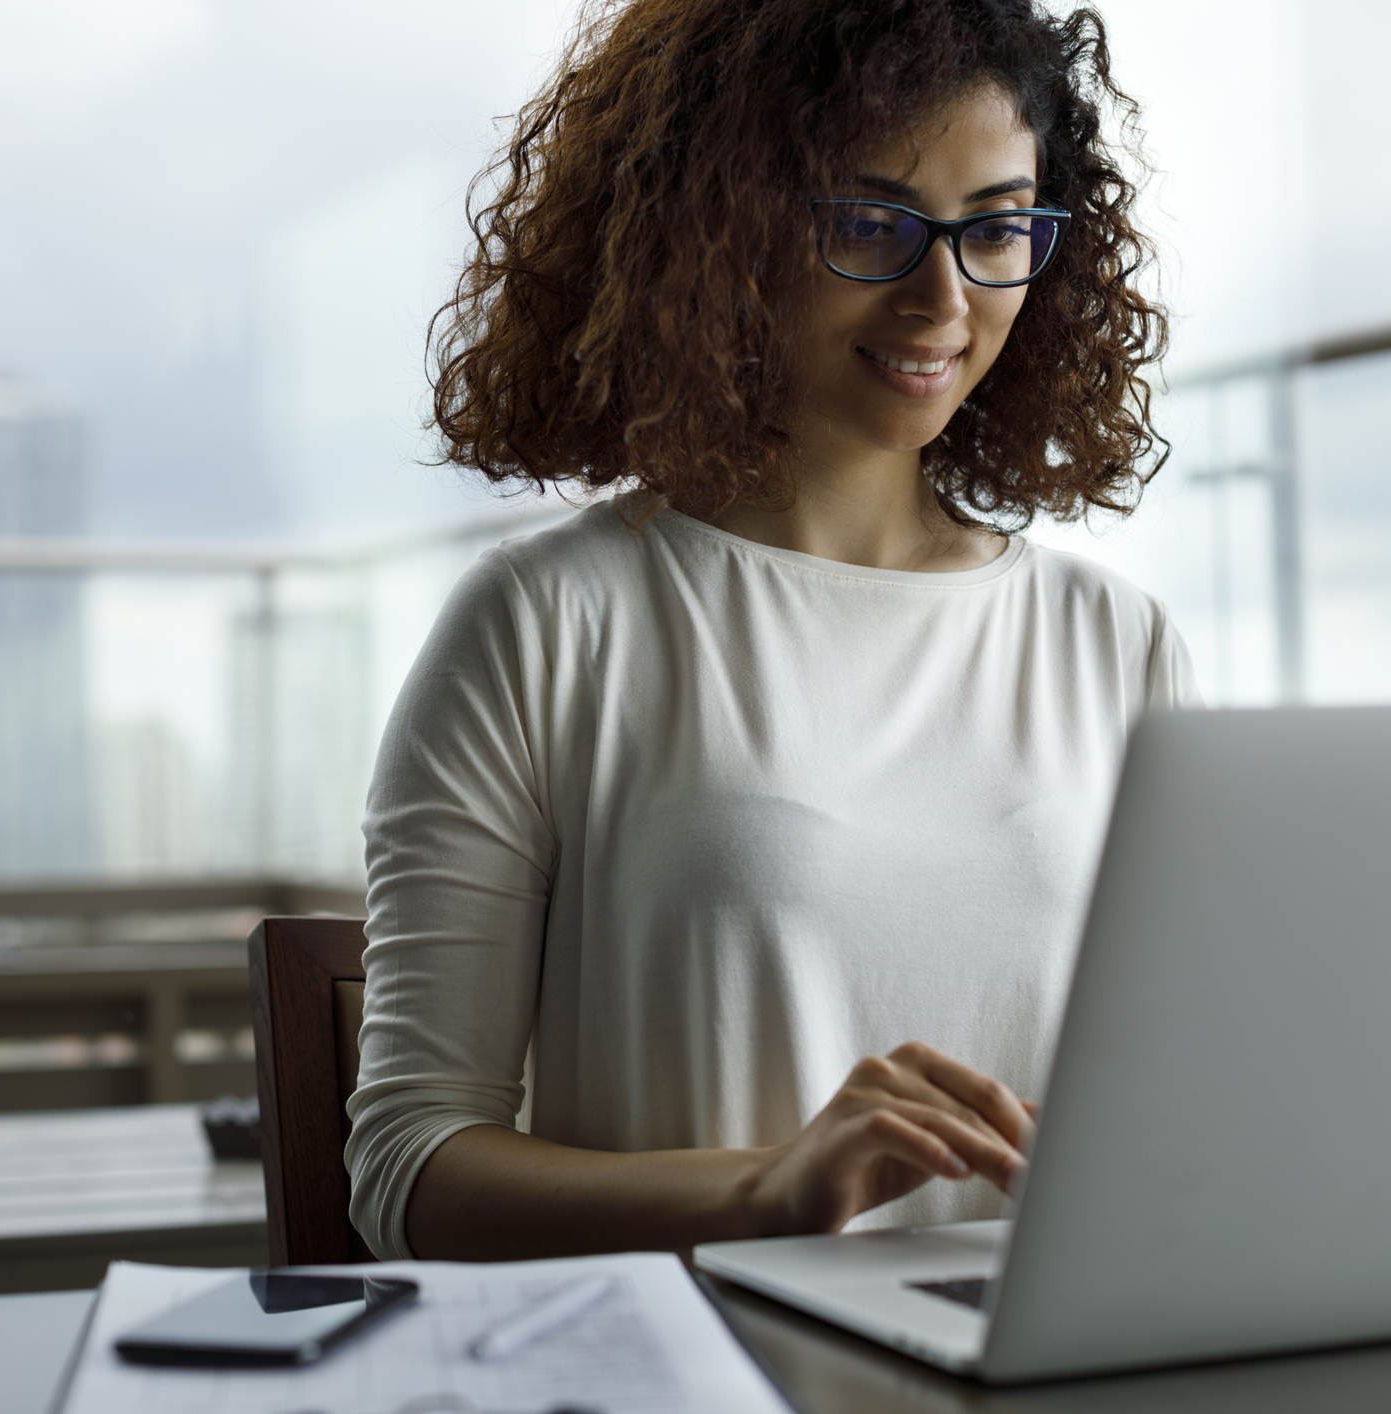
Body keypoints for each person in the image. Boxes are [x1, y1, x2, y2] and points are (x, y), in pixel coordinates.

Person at [348, 0, 1192, 1263]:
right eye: (870, 222)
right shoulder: (547, 624)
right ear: (720, 231)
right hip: (697, 1365)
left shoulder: (1112, 641)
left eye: (998, 228)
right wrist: (761, 1191)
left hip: (1031, 1360)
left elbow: (1185, 1109)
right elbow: (406, 1166)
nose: (941, 295)